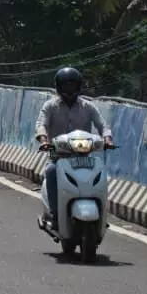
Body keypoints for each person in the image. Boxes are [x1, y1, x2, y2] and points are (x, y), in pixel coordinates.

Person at [35, 66, 113, 228]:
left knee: (100, 173)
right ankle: (56, 214)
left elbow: (102, 124)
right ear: (58, 87)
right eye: (65, 86)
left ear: (78, 86)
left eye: (72, 86)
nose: (69, 90)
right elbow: (41, 124)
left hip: (84, 157)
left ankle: (102, 213)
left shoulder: (87, 106)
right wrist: (43, 140)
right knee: (50, 172)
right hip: (60, 156)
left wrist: (107, 138)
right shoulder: (50, 106)